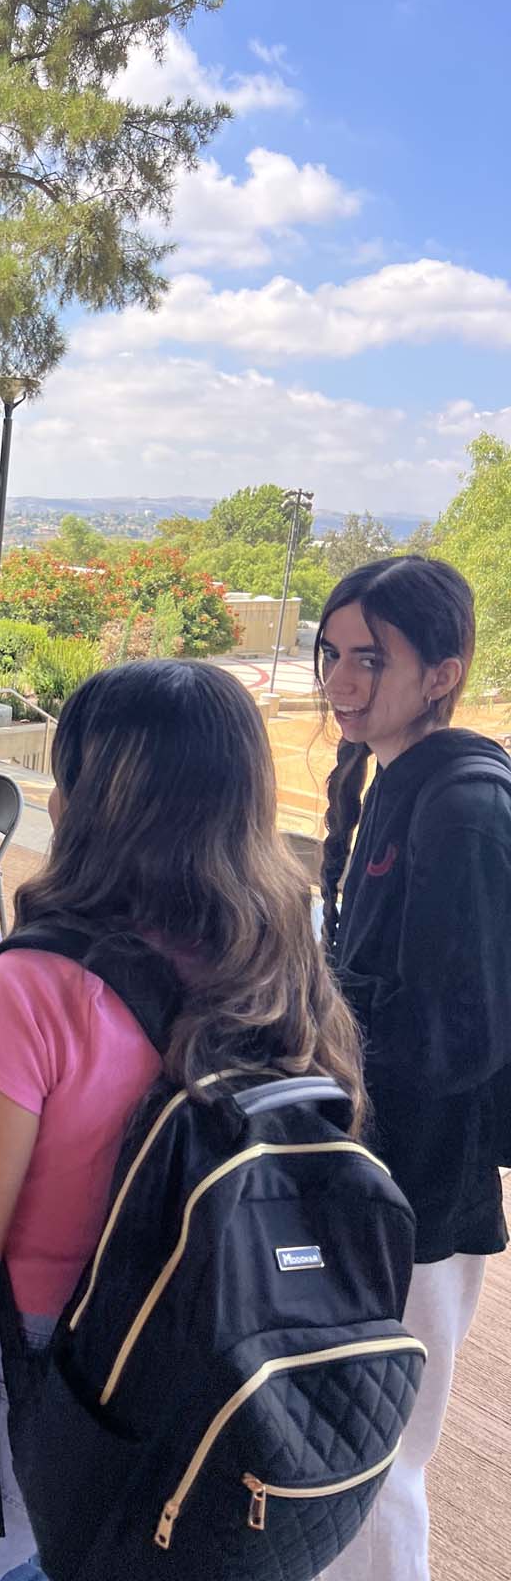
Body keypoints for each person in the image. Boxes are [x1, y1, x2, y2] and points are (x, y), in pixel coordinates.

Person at [0, 660, 365, 1580]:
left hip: (39, 1366)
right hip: (201, 1335)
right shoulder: (285, 942)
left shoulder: (36, 983)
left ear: (91, 793)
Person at [314, 556, 511, 1581]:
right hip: (378, 1183)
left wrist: (323, 1033)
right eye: (332, 654)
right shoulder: (399, 784)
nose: (342, 682)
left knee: (380, 1463)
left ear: (442, 672)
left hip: (423, 1201)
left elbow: (460, 1039)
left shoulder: (465, 810)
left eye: (371, 660)